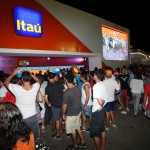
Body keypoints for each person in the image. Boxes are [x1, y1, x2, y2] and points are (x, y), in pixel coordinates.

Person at [4, 68, 41, 139]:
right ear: (30, 78)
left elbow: (6, 82)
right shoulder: (35, 87)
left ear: (22, 80)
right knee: (34, 136)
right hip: (33, 116)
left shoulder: (17, 89)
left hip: (22, 118)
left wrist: (13, 74)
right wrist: (30, 74)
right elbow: (38, 81)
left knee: (23, 137)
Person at [62, 73, 86, 149]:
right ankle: (83, 141)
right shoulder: (77, 88)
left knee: (72, 130)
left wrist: (63, 114)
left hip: (71, 114)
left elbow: (64, 105)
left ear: (66, 80)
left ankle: (75, 145)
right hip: (78, 111)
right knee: (78, 126)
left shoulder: (66, 92)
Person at [90, 69, 108, 150]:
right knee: (102, 129)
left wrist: (102, 102)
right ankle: (103, 146)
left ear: (96, 76)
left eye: (94, 75)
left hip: (97, 111)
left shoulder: (96, 86)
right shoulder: (103, 84)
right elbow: (105, 99)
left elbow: (100, 102)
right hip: (102, 110)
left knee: (95, 133)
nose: (93, 76)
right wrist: (103, 102)